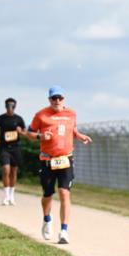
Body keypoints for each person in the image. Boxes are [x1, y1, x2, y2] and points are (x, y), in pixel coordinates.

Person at [28, 86, 91, 244]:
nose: (57, 101)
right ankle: (47, 219)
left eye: (60, 98)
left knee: (64, 193)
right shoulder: (41, 115)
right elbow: (29, 133)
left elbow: (72, 130)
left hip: (65, 159)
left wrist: (79, 135)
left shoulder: (71, 113)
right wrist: (41, 136)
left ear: (64, 99)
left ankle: (64, 231)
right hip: (47, 160)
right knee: (47, 195)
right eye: (54, 98)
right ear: (49, 99)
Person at [0, 98, 26, 205]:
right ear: (5, 106)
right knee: (6, 169)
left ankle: (12, 195)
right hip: (4, 147)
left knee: (13, 171)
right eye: (8, 106)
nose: (10, 108)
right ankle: (6, 196)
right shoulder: (0, 118)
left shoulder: (19, 119)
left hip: (15, 148)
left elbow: (24, 131)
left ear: (15, 106)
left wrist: (20, 131)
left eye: (12, 106)